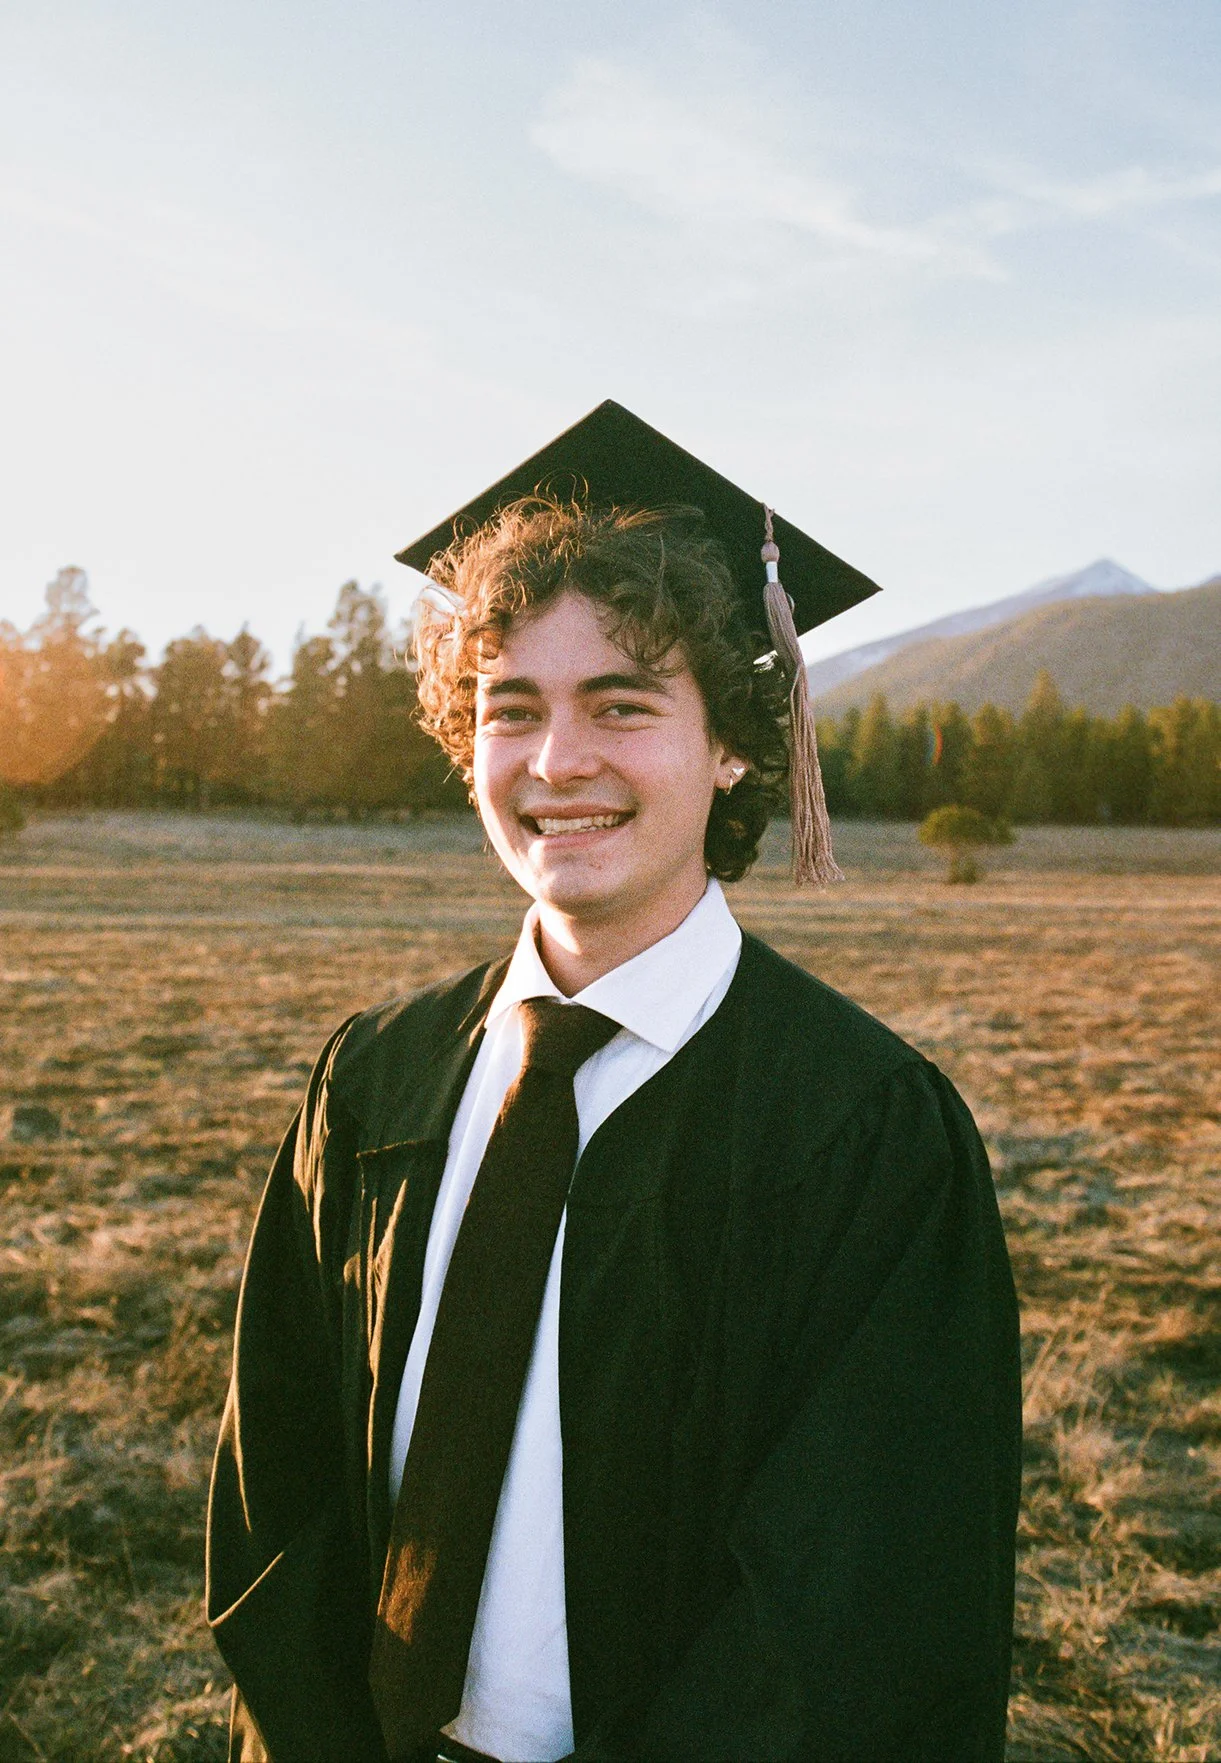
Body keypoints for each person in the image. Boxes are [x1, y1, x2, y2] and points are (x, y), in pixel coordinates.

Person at [207, 402, 1022, 1763]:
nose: (557, 762)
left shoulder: (865, 1133)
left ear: (734, 742)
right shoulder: (376, 1084)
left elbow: (859, 1616)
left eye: (623, 704)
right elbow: (274, 1499)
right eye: (511, 709)